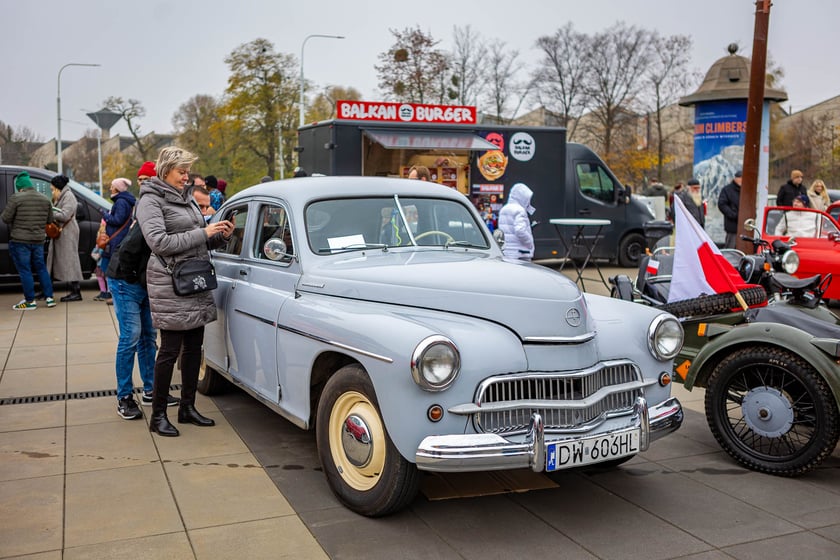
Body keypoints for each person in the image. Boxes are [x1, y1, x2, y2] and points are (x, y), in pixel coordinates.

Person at [136, 146, 234, 437]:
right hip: (170, 283)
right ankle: (158, 415)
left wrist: (218, 237)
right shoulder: (150, 201)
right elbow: (159, 243)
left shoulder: (187, 198)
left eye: (188, 171)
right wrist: (203, 232)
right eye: (182, 171)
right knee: (168, 351)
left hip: (194, 279)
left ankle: (187, 408)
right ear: (166, 171)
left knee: (194, 348)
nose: (187, 176)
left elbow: (196, 241)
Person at [0, 172, 57, 310]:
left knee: (25, 270)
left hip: (20, 241)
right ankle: (49, 298)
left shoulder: (16, 198)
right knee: (41, 268)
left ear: (20, 186)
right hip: (38, 240)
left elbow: (5, 218)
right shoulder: (44, 199)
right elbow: (50, 220)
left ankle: (30, 301)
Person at [96, 178, 135, 303]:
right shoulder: (123, 201)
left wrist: (104, 214)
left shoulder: (121, 202)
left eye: (112, 186)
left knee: (114, 267)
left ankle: (115, 294)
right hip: (118, 238)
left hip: (117, 239)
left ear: (117, 189)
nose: (110, 188)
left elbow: (117, 220)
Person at [47, 175, 84, 302]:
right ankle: (47, 289)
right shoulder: (63, 195)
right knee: (54, 259)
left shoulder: (68, 196)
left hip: (68, 232)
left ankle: (76, 291)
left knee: (70, 259)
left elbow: (64, 215)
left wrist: (49, 213)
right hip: (62, 232)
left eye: (53, 189)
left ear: (58, 188)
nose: (52, 191)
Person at [498, 182, 535, 261]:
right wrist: (530, 243)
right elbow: (520, 231)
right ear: (522, 197)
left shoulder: (503, 209)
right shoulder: (520, 210)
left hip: (507, 251)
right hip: (521, 252)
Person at [718, 170, 742, 249]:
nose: (741, 180)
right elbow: (722, 204)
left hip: (745, 226)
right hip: (732, 226)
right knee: (731, 249)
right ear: (735, 178)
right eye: (740, 178)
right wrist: (733, 215)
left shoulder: (746, 190)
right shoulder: (727, 190)